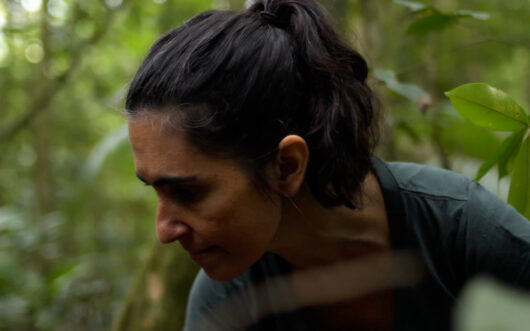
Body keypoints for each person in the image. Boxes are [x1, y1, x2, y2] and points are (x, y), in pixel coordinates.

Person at [125, 0, 530, 330]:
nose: (164, 230)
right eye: (155, 190)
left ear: (286, 165)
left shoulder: (461, 230)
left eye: (187, 192)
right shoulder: (226, 303)